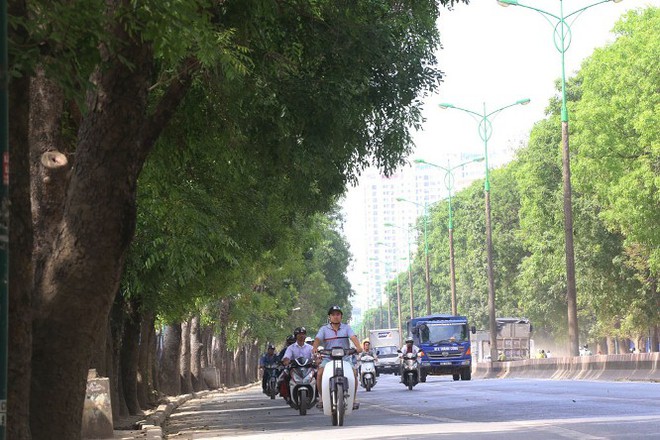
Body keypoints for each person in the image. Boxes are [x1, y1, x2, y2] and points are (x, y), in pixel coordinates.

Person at [312, 305, 362, 410]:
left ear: (341, 316)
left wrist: (358, 347)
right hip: (328, 358)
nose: (335, 316)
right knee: (320, 373)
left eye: (338, 314)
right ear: (329, 317)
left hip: (345, 358)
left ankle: (353, 399)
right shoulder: (324, 329)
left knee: (353, 373)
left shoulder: (347, 328)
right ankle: (322, 398)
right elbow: (317, 339)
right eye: (333, 314)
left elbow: (353, 337)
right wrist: (315, 348)